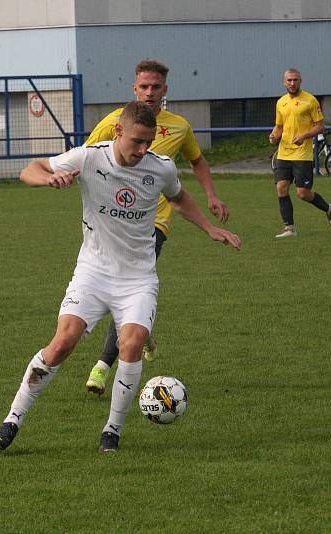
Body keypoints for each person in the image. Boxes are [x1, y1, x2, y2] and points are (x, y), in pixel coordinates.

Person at [0, 101, 240, 453]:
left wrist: (209, 228)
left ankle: (112, 432)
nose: (143, 149)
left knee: (132, 344)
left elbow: (179, 199)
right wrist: (48, 178)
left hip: (137, 278)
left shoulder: (160, 167)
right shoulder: (89, 157)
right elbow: (30, 169)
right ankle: (12, 420)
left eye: (148, 142)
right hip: (93, 273)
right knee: (62, 343)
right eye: (137, 141)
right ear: (118, 131)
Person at [83, 59, 230, 396]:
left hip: (153, 224)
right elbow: (89, 158)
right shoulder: (113, 123)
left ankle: (103, 366)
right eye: (143, 87)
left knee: (121, 292)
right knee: (125, 294)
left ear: (166, 89)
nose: (150, 92)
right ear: (134, 89)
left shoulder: (179, 127)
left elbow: (197, 161)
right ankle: (143, 332)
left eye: (156, 87)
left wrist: (211, 195)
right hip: (111, 225)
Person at [268, 68, 331, 238]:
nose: (292, 83)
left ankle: (328, 209)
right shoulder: (281, 102)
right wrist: (273, 136)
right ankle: (290, 229)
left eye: (295, 80)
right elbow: (279, 127)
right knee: (281, 188)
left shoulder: (310, 101)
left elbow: (320, 125)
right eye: (289, 80)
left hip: (302, 154)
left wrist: (305, 136)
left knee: (303, 193)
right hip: (284, 153)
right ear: (284, 82)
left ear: (301, 81)